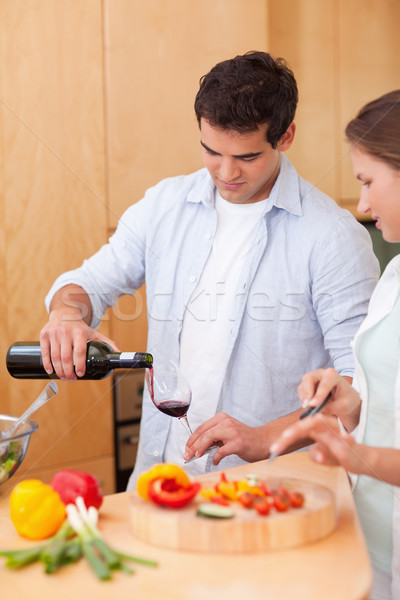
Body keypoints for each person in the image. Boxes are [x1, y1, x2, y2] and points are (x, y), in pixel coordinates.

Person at [40, 51, 379, 488]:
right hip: (159, 479)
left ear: (286, 135)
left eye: (247, 156)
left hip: (269, 491)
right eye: (211, 151)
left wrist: (266, 435)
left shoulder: (332, 237)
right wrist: (66, 316)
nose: (226, 172)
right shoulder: (164, 205)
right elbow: (87, 283)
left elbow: (361, 385)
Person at [269, 90, 400, 600]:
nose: (362, 204)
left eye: (368, 182)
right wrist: (349, 404)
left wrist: (353, 454)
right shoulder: (394, 275)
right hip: (371, 542)